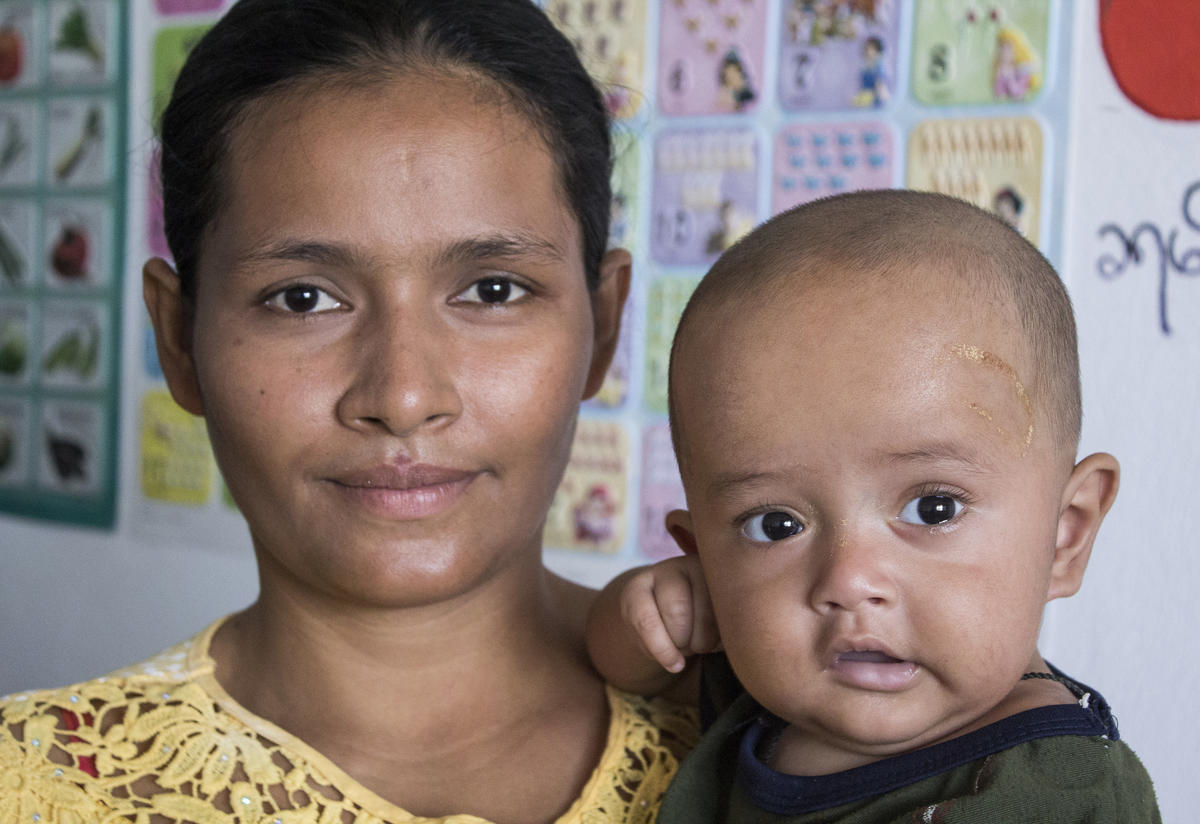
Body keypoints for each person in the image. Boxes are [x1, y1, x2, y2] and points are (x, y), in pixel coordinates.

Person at [0, 2, 699, 822]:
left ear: (604, 325)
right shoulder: (33, 787)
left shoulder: (783, 738)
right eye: (302, 299)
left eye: (492, 290)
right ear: (179, 340)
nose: (402, 398)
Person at [587, 190, 1161, 821]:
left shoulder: (1062, 796)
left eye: (934, 509)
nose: (849, 581)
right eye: (776, 525)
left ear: (1065, 535)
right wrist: (656, 611)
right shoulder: (773, 685)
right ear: (703, 555)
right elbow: (628, 668)